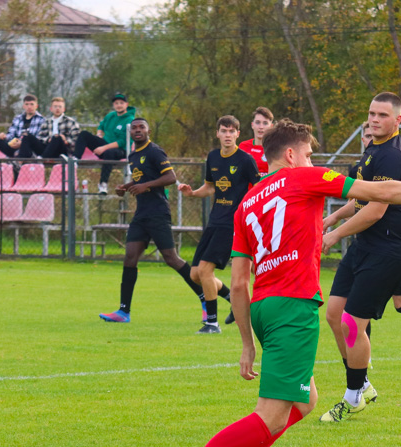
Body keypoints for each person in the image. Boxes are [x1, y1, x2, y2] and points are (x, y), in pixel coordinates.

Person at [155, 118, 401, 447]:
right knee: (270, 415)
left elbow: (238, 284)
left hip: (263, 309)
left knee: (305, 401)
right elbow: (383, 191)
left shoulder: (248, 203)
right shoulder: (303, 178)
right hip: (293, 307)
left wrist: (246, 344)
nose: (311, 160)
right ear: (290, 155)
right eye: (308, 154)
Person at [319, 92, 401, 425]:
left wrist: (333, 235)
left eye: (382, 115)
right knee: (333, 314)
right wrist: (332, 218)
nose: (374, 120)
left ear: (397, 120)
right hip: (364, 246)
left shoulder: (389, 155)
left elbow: (374, 210)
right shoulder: (371, 150)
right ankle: (362, 384)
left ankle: (352, 397)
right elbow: (362, 198)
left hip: (386, 250)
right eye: (371, 114)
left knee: (351, 323)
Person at [331, 120, 401, 356]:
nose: (370, 137)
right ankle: (362, 369)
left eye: (373, 133)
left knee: (399, 303)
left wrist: (389, 198)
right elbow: (358, 202)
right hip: (369, 243)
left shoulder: (392, 160)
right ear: (362, 138)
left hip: (390, 244)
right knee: (355, 310)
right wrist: (332, 220)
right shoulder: (361, 167)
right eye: (366, 134)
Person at [99, 118, 207, 323]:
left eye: (142, 128)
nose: (138, 130)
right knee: (130, 257)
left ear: (149, 131)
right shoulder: (133, 155)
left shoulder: (155, 151)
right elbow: (140, 179)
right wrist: (126, 186)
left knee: (172, 259)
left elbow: (171, 177)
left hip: (158, 212)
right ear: (131, 132)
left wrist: (145, 186)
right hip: (141, 214)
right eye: (135, 128)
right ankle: (123, 312)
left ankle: (204, 298)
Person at [178, 115, 259, 334]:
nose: (227, 135)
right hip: (214, 220)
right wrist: (193, 193)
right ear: (217, 133)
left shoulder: (245, 160)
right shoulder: (213, 157)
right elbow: (210, 187)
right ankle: (234, 299)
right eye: (224, 131)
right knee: (195, 274)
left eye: (232, 131)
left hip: (232, 224)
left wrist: (250, 212)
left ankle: (212, 324)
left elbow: (260, 188)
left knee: (205, 271)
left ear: (238, 134)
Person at [74, 93, 136, 194]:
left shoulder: (130, 120)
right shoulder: (111, 115)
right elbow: (101, 126)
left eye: (121, 103)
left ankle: (103, 185)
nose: (119, 105)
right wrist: (99, 134)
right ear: (113, 105)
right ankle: (75, 160)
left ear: (126, 104)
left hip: (122, 150)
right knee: (84, 134)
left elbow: (122, 142)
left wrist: (103, 148)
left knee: (109, 152)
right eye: (116, 103)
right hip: (106, 144)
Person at [238, 106, 274, 174]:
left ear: (271, 126)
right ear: (252, 125)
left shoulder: (276, 148)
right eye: (258, 122)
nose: (261, 127)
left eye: (265, 123)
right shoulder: (243, 146)